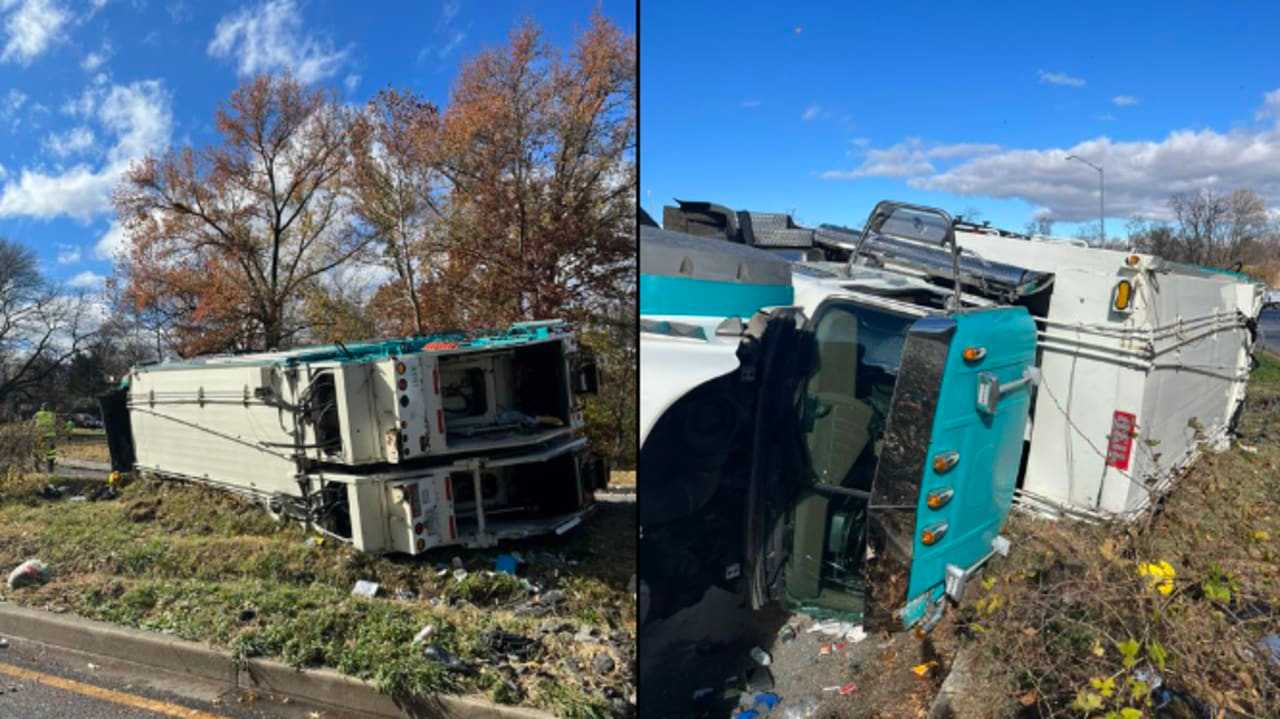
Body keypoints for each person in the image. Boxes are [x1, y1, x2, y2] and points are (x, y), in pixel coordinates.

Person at [34, 403, 57, 474]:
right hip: (50, 436)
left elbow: (32, 422)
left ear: (41, 408)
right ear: (48, 408)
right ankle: (51, 469)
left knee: (37, 451)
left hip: (39, 435)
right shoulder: (52, 415)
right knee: (51, 453)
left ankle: (37, 468)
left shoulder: (38, 414)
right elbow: (55, 423)